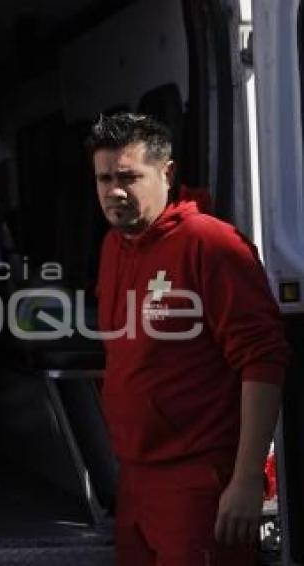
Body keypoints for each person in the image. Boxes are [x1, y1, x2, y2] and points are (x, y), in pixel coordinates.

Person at [88, 113, 289, 565]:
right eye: (103, 178)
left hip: (199, 482)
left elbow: (263, 359)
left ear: (167, 172)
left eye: (128, 177)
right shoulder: (113, 246)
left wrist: (246, 479)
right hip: (135, 479)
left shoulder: (211, 245)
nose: (113, 190)